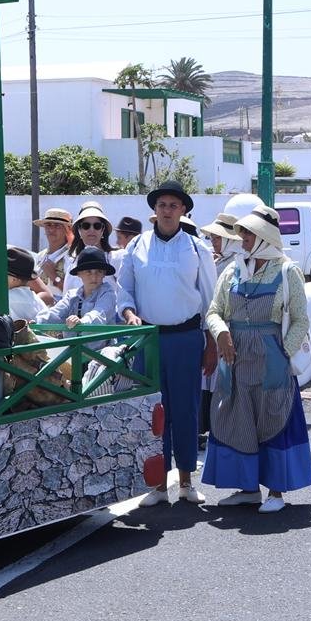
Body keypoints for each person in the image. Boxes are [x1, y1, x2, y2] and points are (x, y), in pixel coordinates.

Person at [203, 213, 311, 511]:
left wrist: (283, 353)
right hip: (235, 355)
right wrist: (222, 332)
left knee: (273, 417)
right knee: (237, 417)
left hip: (271, 359)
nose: (243, 241)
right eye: (242, 236)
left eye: (249, 235)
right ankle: (247, 487)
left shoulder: (287, 271)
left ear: (264, 237)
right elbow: (213, 311)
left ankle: (276, 492)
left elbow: (301, 319)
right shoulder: (232, 271)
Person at [116, 181, 218, 506]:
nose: (167, 210)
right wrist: (129, 313)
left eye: (174, 205)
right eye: (162, 204)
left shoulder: (197, 248)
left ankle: (186, 481)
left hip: (187, 338)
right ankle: (158, 485)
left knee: (186, 408)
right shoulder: (136, 247)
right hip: (149, 338)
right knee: (153, 411)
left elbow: (210, 299)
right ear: (154, 210)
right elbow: (125, 288)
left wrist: (211, 342)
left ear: (183, 210)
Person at [41, 246, 134, 327]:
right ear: (79, 274)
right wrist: (36, 321)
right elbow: (56, 313)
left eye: (99, 271)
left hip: (102, 347)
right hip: (73, 346)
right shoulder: (71, 295)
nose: (94, 276)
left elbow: (99, 314)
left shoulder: (108, 294)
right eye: (88, 271)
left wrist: (81, 322)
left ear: (104, 274)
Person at [67, 204, 116, 291]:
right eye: (86, 226)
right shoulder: (72, 261)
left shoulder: (116, 258)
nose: (91, 230)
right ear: (79, 230)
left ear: (103, 230)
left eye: (97, 226)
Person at [35, 208, 75, 293]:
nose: (51, 230)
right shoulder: (40, 256)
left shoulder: (72, 258)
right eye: (48, 225)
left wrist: (53, 275)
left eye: (57, 226)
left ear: (67, 230)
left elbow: (74, 292)